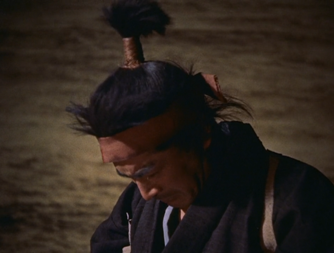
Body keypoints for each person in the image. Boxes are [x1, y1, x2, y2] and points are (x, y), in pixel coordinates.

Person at [66, 0, 334, 252]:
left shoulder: (298, 199)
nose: (146, 193)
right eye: (130, 176)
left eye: (150, 170)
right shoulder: (134, 204)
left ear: (200, 131)